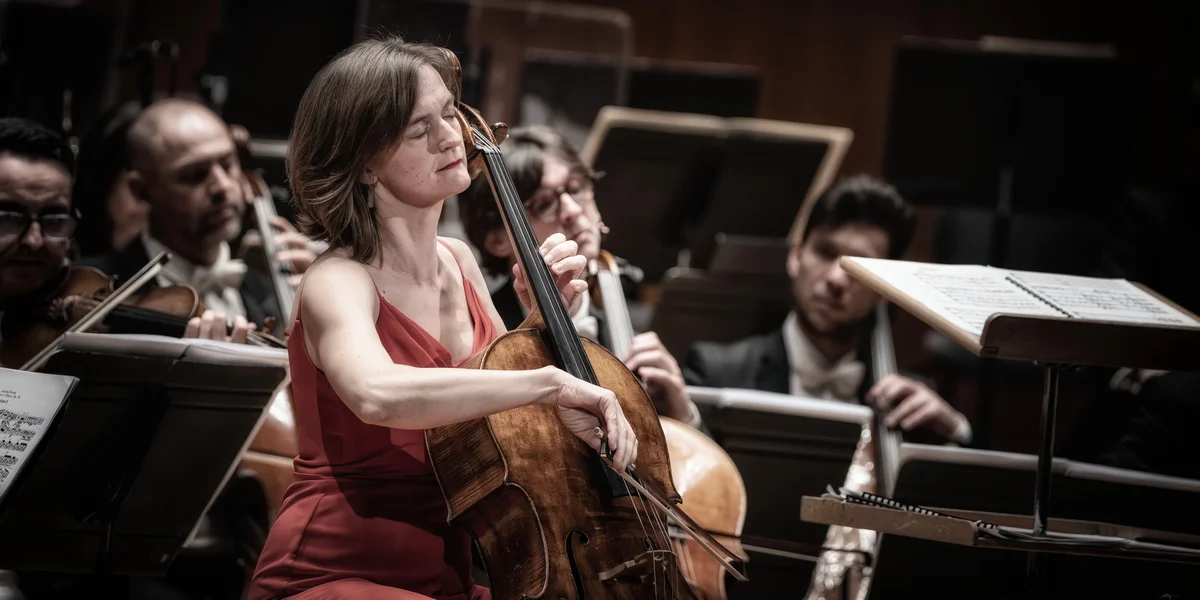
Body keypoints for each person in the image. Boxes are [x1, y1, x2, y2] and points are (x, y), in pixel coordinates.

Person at [247, 37, 637, 600]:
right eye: (416, 130)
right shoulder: (338, 280)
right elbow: (377, 394)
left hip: (449, 572)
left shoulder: (459, 259)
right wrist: (552, 382)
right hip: (335, 573)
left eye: (450, 113)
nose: (452, 137)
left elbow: (502, 419)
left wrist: (541, 321)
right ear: (363, 166)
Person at [684, 174, 972, 446]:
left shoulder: (912, 404)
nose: (836, 279)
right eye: (825, 253)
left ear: (886, 290)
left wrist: (956, 430)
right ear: (796, 257)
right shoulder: (717, 372)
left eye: (860, 267)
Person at [457, 125, 702, 429]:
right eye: (544, 204)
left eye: (575, 189)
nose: (573, 210)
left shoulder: (625, 332)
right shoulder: (481, 340)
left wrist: (681, 415)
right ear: (497, 240)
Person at [78, 98, 289, 340]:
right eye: (196, 175)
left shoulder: (269, 291)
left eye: (228, 164)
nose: (222, 186)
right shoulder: (90, 293)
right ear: (141, 190)